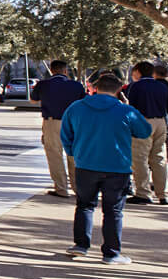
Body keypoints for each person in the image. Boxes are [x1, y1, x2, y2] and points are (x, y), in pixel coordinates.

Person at [60, 72, 152, 264]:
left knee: (84, 205)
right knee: (114, 211)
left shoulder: (76, 107)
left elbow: (65, 134)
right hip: (117, 166)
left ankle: (81, 245)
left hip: (86, 164)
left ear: (96, 87)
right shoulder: (125, 110)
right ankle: (111, 253)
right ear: (119, 90)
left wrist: (73, 152)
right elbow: (144, 131)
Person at [32, 60, 87, 197]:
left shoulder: (43, 84)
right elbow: (84, 102)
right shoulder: (76, 85)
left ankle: (61, 188)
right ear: (65, 71)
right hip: (74, 123)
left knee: (54, 155)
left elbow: (33, 100)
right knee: (74, 156)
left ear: (51, 70)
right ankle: (78, 188)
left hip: (52, 122)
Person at [124, 61, 168, 205]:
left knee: (140, 158)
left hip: (143, 120)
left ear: (138, 71)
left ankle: (143, 192)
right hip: (160, 121)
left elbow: (131, 106)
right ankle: (163, 194)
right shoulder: (162, 86)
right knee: (159, 157)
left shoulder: (136, 86)